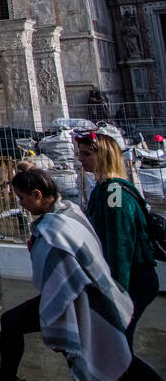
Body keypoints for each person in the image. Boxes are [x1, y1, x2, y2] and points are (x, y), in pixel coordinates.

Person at [0, 167, 138, 381]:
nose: (21, 204)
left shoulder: (54, 229)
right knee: (100, 350)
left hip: (77, 298)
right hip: (94, 291)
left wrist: (38, 248)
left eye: (22, 198)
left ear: (37, 195)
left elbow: (61, 270)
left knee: (84, 348)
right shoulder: (71, 210)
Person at [75, 132, 160, 353]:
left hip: (133, 277)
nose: (80, 159)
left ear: (103, 156)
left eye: (86, 154)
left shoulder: (114, 192)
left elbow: (120, 244)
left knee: (118, 345)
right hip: (126, 276)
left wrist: (115, 291)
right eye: (79, 153)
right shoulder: (104, 188)